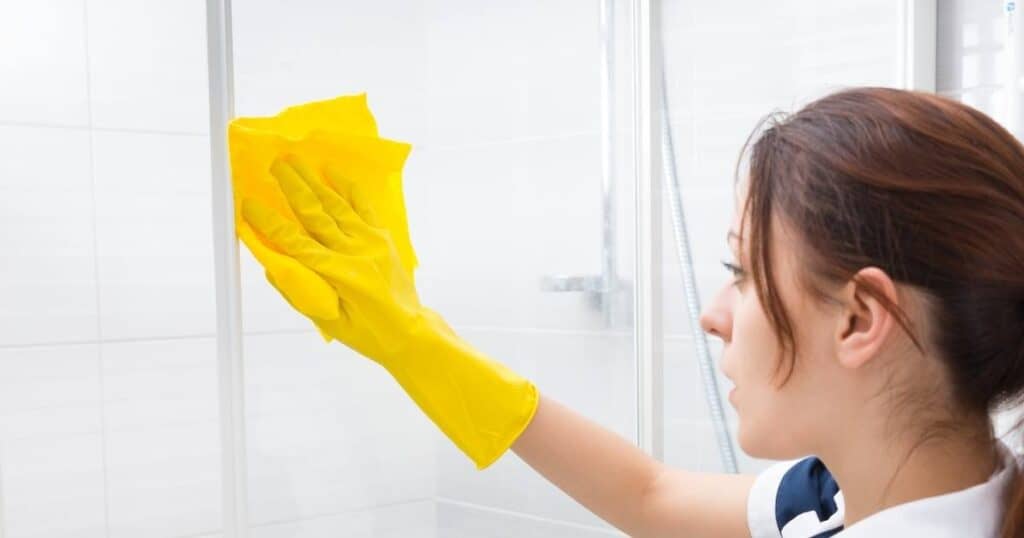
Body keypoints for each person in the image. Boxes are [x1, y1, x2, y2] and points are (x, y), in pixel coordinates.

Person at [239, 87, 1024, 537]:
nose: (715, 314)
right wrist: (416, 342)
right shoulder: (887, 491)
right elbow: (648, 496)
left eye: (743, 275)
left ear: (859, 320)